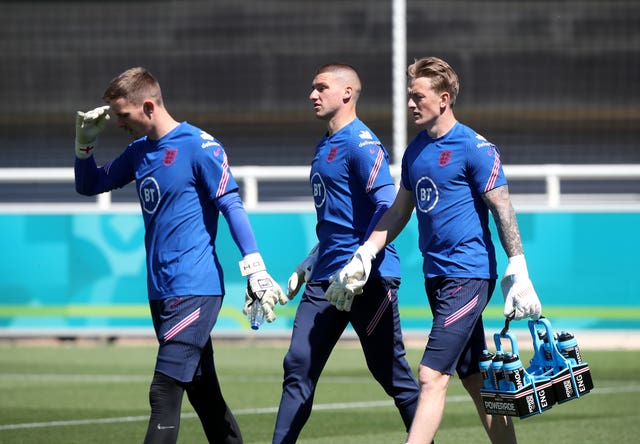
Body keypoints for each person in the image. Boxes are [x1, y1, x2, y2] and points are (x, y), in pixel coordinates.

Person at [326, 57, 542, 443]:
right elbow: (398, 211)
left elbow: (502, 206)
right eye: (409, 96)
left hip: (468, 274)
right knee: (474, 376)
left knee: (430, 376)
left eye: (417, 96)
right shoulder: (415, 152)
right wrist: (366, 253)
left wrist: (519, 266)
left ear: (443, 99)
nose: (410, 103)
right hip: (436, 276)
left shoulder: (476, 148)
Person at [74, 66, 287, 444]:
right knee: (205, 395)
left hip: (196, 287)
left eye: (124, 115)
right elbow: (90, 184)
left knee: (164, 390)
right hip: (161, 290)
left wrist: (254, 267)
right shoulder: (139, 152)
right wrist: (84, 147)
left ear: (149, 106)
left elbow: (231, 204)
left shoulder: (199, 146)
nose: (119, 123)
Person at [271, 63, 420, 444]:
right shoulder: (324, 145)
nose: (312, 95)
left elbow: (387, 205)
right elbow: (340, 220)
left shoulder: (361, 142)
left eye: (321, 87)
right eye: (312, 87)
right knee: (297, 366)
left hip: (366, 280)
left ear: (347, 93)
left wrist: (364, 259)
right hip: (324, 281)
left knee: (393, 377)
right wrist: (309, 262)